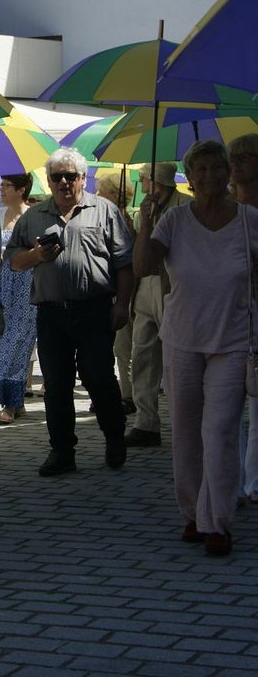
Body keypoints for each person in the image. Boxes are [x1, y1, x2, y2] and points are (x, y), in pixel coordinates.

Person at [134, 140, 256, 556]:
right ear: (189, 176)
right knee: (186, 433)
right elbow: (143, 266)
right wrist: (145, 222)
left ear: (228, 172)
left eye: (217, 168)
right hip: (182, 339)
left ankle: (217, 522)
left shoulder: (248, 220)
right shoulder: (174, 220)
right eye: (200, 169)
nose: (209, 176)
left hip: (233, 340)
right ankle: (191, 513)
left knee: (219, 432)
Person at [7, 147, 133, 477]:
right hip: (51, 313)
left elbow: (124, 264)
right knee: (56, 383)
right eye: (57, 177)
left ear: (83, 178)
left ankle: (114, 437)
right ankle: (62, 451)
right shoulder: (33, 216)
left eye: (70, 176)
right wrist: (36, 256)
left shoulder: (105, 211)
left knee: (99, 377)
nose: (64, 182)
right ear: (48, 181)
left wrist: (122, 304)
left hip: (94, 310)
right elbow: (14, 261)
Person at [124, 163, 190, 448]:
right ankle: (146, 422)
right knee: (142, 355)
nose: (141, 185)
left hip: (170, 287)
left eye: (143, 179)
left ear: (154, 181)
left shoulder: (184, 206)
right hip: (144, 287)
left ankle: (183, 422)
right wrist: (136, 225)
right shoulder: (144, 209)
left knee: (176, 357)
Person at [0, 173, 38, 424]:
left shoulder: (32, 217)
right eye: (1, 185)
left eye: (7, 186)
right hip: (2, 285)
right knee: (1, 342)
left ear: (21, 190)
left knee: (19, 343)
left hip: (25, 285)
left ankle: (10, 404)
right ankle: (14, 400)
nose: (2, 189)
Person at [94, 174, 138, 416]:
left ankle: (126, 395)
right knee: (109, 348)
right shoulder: (106, 216)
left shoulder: (124, 220)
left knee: (122, 348)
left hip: (122, 294)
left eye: (102, 192)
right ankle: (109, 393)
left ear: (114, 194)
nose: (98, 196)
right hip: (107, 291)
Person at [230, 134, 258, 505]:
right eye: (233, 157)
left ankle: (255, 480)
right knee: (226, 405)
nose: (236, 163)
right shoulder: (222, 208)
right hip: (227, 314)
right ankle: (231, 481)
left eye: (244, 156)